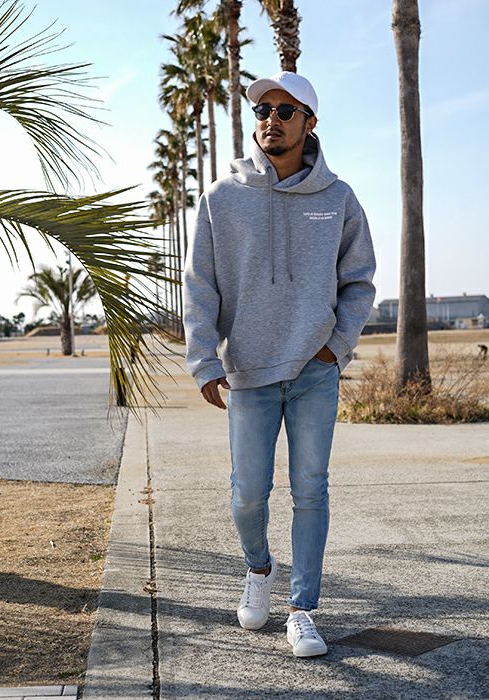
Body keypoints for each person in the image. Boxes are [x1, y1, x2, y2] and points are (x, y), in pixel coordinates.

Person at [183, 71, 376, 657]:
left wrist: (335, 346)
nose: (271, 119)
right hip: (248, 369)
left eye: (285, 110)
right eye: (263, 109)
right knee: (248, 493)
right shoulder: (221, 198)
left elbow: (359, 281)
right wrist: (204, 360)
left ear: (309, 123)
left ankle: (303, 609)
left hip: (315, 370)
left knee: (311, 489)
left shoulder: (338, 199)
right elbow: (200, 285)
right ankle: (259, 569)